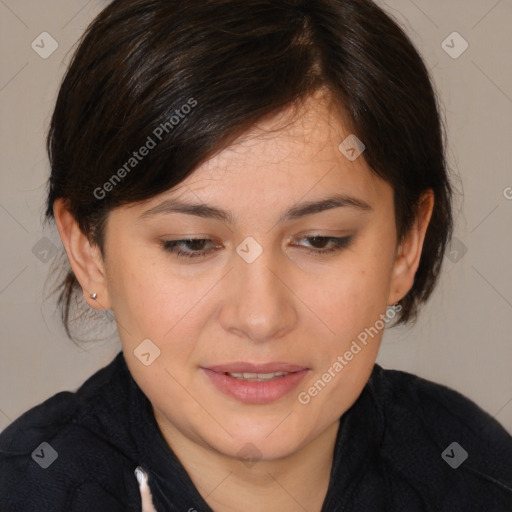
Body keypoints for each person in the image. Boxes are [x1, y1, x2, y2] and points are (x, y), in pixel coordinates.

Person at [1, 0, 511, 510]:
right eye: (192, 244)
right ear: (89, 252)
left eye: (320, 241)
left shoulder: (480, 475)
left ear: (406, 245)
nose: (261, 317)